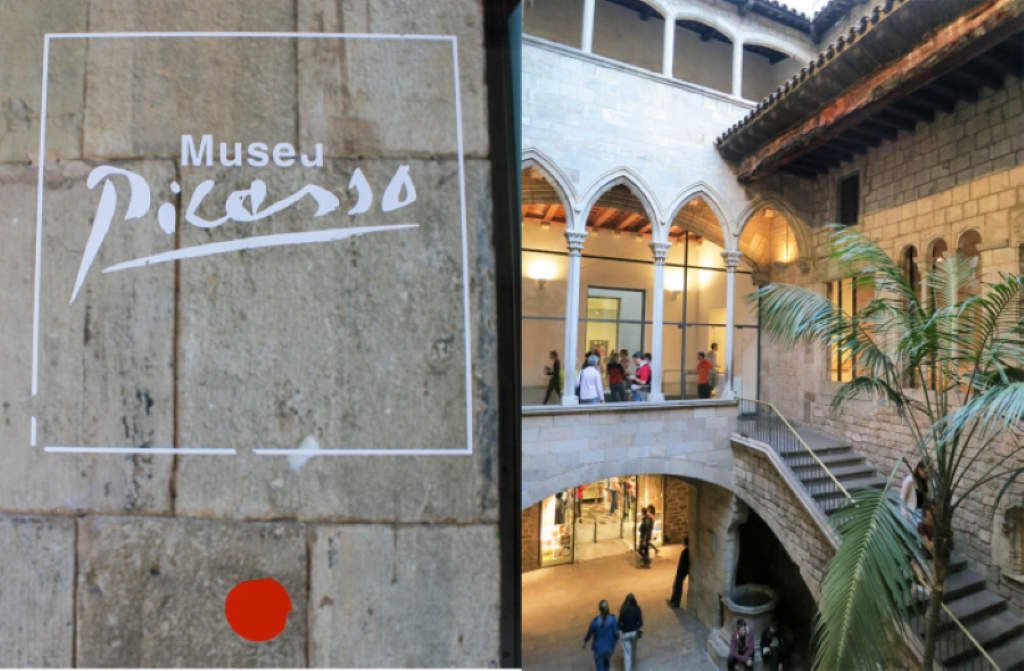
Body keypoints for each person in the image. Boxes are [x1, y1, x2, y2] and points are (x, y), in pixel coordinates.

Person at [582, 599, 618, 671]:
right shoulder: (612, 619)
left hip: (599, 650)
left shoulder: (595, 622)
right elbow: (616, 634)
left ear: (599, 609)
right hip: (609, 649)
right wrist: (613, 644)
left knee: (600, 668)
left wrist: (585, 642)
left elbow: (589, 633)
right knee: (607, 666)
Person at [618, 593, 643, 671]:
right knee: (633, 649)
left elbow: (619, 624)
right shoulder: (637, 609)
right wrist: (636, 626)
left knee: (627, 654)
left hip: (625, 634)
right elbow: (640, 623)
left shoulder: (622, 609)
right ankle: (633, 664)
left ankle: (628, 668)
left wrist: (623, 628)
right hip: (634, 633)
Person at [900, 460, 929, 525]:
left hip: (924, 512)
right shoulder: (909, 480)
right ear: (919, 470)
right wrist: (904, 517)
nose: (927, 475)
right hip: (913, 512)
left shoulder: (927, 480)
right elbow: (902, 498)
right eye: (925, 472)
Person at [668, 535, 690, 607]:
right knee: (676, 585)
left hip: (682, 571)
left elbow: (682, 564)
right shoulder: (687, 551)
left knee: (677, 586)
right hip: (682, 571)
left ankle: (676, 602)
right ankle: (673, 600)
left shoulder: (685, 552)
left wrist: (680, 572)